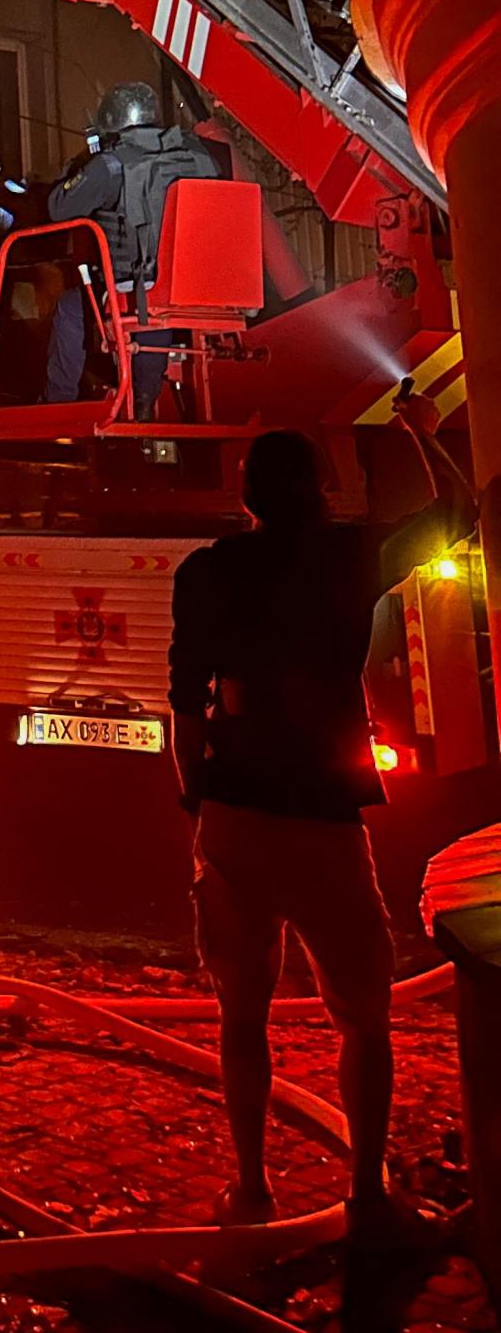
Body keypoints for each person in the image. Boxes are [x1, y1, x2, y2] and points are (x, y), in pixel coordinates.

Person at [167, 400, 477, 1237]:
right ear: (319, 490)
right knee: (362, 1016)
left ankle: (251, 1187)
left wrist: (197, 791)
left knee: (242, 1013)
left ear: (247, 495)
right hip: (325, 823)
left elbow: (185, 699)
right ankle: (367, 1192)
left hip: (233, 815)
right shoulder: (348, 557)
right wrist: (419, 427)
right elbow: (459, 513)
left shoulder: (203, 573)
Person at [42, 81, 219, 418]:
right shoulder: (198, 155)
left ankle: (57, 405)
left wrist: (77, 171)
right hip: (201, 289)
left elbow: (59, 208)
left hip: (140, 290)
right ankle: (145, 396)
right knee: (160, 301)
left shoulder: (111, 164)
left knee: (71, 309)